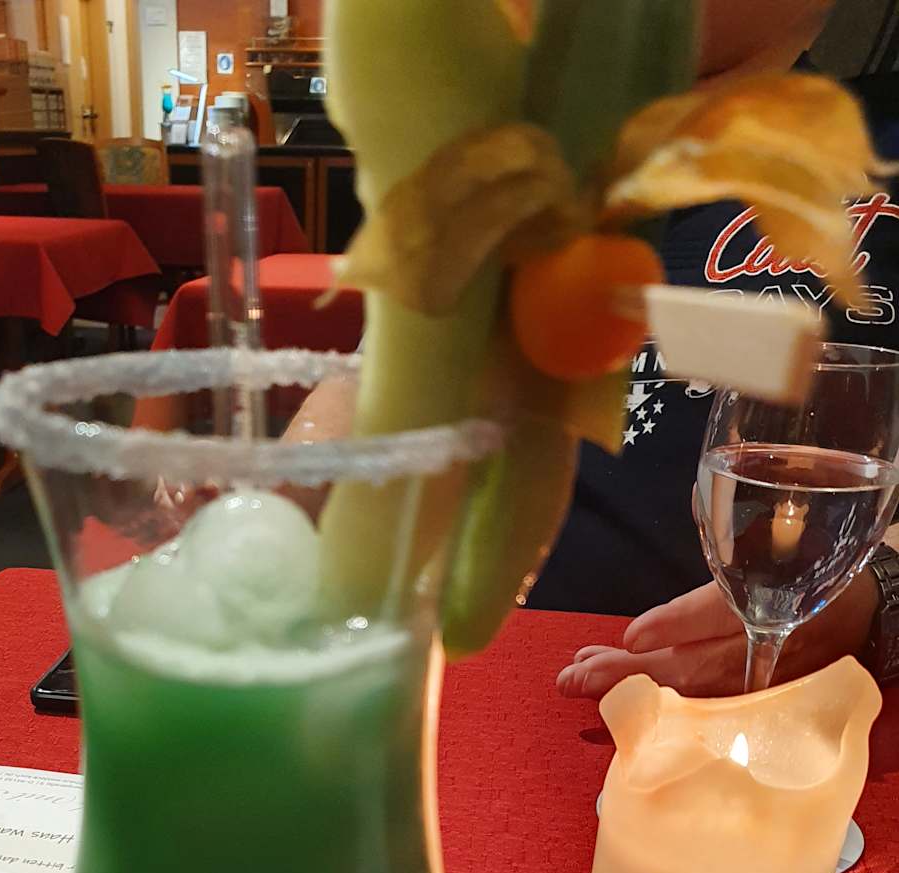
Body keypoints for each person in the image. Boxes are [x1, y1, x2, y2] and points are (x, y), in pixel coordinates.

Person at [289, 0, 899, 696]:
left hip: (787, 708)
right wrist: (257, 520)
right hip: (464, 677)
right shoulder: (511, 150)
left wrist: (878, 588)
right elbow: (381, 378)